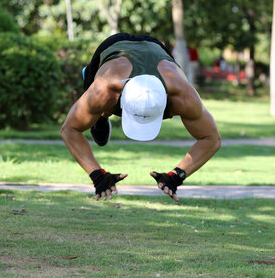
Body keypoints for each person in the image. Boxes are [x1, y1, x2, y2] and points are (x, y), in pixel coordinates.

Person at [60, 33, 221, 202]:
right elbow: (69, 130)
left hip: (156, 47)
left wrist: (176, 175)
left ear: (166, 101)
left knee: (101, 108)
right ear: (121, 101)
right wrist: (97, 175)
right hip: (113, 48)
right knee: (99, 108)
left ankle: (102, 113)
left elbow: (212, 139)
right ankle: (101, 117)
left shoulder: (184, 96)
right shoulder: (103, 90)